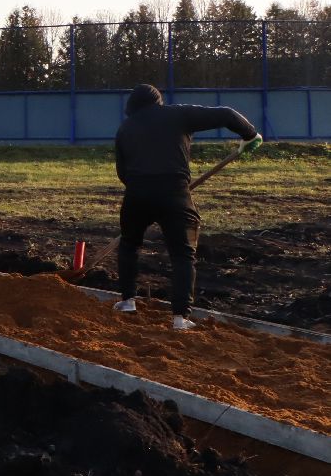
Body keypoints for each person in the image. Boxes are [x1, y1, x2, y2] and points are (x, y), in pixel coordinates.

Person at [112, 83, 262, 331]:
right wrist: (250, 134)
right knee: (182, 255)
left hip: (136, 195)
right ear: (157, 101)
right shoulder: (177, 114)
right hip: (175, 194)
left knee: (129, 245)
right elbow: (226, 114)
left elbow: (122, 172)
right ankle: (180, 317)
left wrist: (145, 187)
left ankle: (127, 301)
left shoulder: (125, 128)